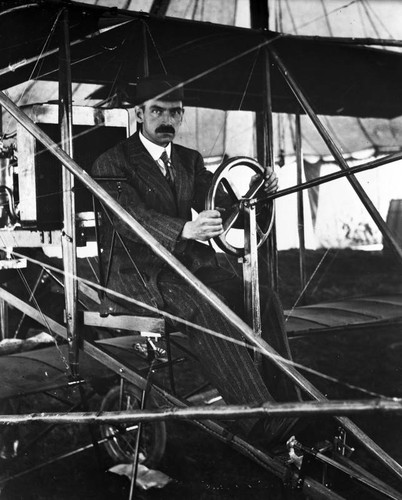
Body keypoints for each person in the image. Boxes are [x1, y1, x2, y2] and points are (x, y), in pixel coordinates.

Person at [91, 75, 298, 444]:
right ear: (140, 113)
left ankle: (291, 405)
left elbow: (223, 205)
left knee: (263, 298)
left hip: (189, 268)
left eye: (174, 112)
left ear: (182, 115)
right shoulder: (112, 162)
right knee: (205, 307)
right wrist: (185, 230)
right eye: (157, 111)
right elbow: (126, 219)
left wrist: (257, 192)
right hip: (139, 274)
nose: (166, 119)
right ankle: (257, 419)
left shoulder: (190, 160)